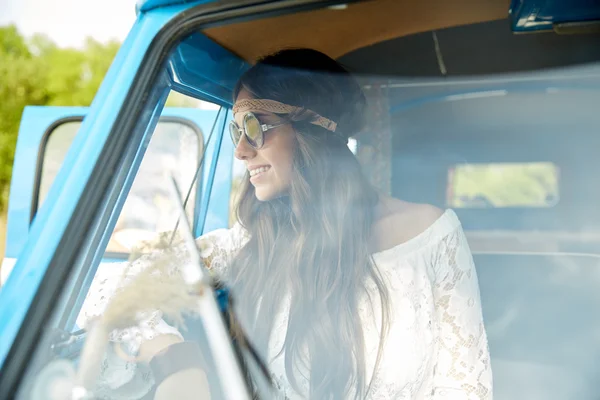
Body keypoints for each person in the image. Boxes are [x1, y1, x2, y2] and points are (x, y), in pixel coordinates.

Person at [84, 48, 493, 400]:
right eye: (234, 131)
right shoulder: (254, 238)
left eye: (253, 127)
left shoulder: (432, 234)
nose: (241, 151)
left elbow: (466, 389)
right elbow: (115, 291)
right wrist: (177, 359)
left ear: (315, 130)